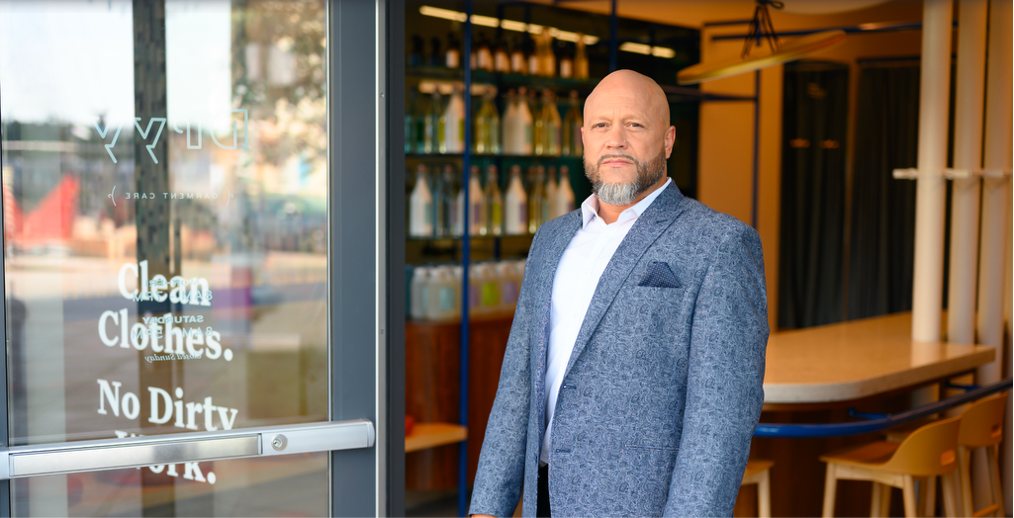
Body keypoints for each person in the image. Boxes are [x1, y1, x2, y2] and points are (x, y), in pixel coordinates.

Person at [468, 69, 769, 518]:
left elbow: (719, 424)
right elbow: (517, 386)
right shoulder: (551, 240)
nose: (616, 140)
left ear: (667, 141)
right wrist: (487, 507)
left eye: (634, 124)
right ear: (583, 138)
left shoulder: (720, 245)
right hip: (544, 500)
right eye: (602, 126)